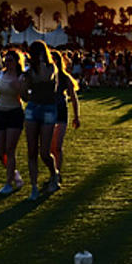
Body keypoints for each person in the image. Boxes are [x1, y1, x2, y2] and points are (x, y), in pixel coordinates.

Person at [22, 40, 60, 200]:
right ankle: (34, 186)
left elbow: (45, 78)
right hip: (33, 108)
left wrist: (42, 62)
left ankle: (54, 173)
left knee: (45, 152)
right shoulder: (29, 71)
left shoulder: (51, 67)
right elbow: (24, 93)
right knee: (32, 150)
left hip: (48, 109)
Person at [0, 50, 26, 195]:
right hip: (0, 112)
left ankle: (8, 183)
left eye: (10, 60)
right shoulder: (0, 74)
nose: (7, 63)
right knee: (0, 151)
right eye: (6, 60)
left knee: (10, 149)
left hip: (14, 113)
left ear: (16, 62)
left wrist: (19, 88)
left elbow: (25, 95)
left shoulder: (20, 76)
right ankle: (14, 173)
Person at [50, 49, 81, 186]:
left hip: (61, 112)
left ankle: (57, 172)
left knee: (57, 146)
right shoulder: (46, 76)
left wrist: (76, 116)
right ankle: (53, 172)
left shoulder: (65, 77)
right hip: (48, 112)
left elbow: (74, 97)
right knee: (49, 148)